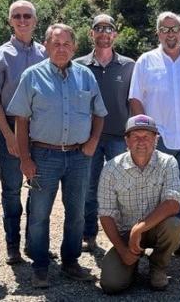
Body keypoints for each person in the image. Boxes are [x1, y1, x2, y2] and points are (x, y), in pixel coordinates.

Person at [7, 23, 107, 288]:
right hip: (43, 156)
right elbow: (21, 119)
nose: (61, 49)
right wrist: (25, 159)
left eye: (66, 44)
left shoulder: (86, 76)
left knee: (76, 213)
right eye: (55, 43)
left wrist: (94, 141)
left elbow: (100, 113)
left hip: (79, 157)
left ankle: (70, 262)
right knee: (39, 214)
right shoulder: (32, 76)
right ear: (47, 46)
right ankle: (40, 266)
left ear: (74, 47)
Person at [129, 11, 180, 259]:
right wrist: (145, 135)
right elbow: (135, 99)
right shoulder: (145, 61)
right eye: (165, 29)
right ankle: (145, 236)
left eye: (174, 29)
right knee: (152, 192)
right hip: (157, 141)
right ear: (158, 33)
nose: (170, 34)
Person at [0, 0, 48, 264]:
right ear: (10, 21)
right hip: (9, 126)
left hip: (39, 131)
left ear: (35, 20)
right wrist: (9, 136)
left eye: (27, 16)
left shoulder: (46, 53)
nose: (22, 20)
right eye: (17, 16)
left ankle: (34, 243)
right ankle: (13, 245)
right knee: (11, 190)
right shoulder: (1, 55)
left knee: (38, 187)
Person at [97, 114, 180, 294]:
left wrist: (140, 229)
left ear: (156, 140)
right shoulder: (111, 169)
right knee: (111, 285)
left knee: (175, 225)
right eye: (135, 137)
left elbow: (173, 203)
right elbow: (106, 214)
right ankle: (133, 262)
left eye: (147, 136)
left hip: (156, 229)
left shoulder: (168, 163)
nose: (141, 141)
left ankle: (158, 265)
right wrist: (122, 251)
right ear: (126, 141)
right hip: (125, 234)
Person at [75, 14, 135, 253]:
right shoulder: (78, 65)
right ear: (91, 34)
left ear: (115, 35)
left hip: (119, 138)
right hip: (88, 138)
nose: (103, 33)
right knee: (89, 188)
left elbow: (134, 102)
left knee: (122, 188)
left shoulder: (129, 66)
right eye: (98, 28)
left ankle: (124, 234)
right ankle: (88, 233)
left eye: (108, 29)